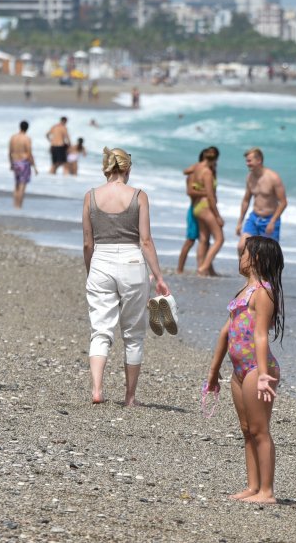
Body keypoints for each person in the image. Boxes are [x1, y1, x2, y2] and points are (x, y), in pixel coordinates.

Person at [82, 148, 170, 406]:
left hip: (101, 261)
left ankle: (97, 389)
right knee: (133, 333)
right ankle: (130, 397)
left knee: (100, 329)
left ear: (106, 168)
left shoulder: (90, 196)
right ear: (128, 168)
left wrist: (90, 270)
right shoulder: (139, 196)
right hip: (132, 262)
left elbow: (87, 243)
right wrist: (159, 276)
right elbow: (145, 240)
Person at [205, 236, 285, 504]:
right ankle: (253, 486)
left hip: (258, 369)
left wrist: (263, 374)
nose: (240, 258)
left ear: (257, 258)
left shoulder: (264, 292)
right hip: (239, 370)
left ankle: (267, 491)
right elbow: (225, 333)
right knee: (247, 429)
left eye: (244, 253)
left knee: (260, 430)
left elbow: (261, 335)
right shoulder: (243, 291)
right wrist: (214, 372)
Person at [235, 148, 287, 254]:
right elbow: (246, 200)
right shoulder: (250, 177)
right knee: (241, 247)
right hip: (254, 218)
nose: (247, 164)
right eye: (246, 161)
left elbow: (283, 202)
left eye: (249, 161)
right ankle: (244, 266)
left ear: (259, 160)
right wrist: (240, 222)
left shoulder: (273, 178)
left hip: (270, 219)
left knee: (267, 254)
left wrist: (272, 221)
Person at [176, 147, 217, 274]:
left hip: (205, 208)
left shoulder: (210, 173)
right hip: (194, 208)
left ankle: (209, 269)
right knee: (191, 240)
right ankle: (179, 269)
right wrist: (208, 193)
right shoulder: (194, 174)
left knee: (205, 240)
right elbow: (190, 192)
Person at [192, 148, 224, 276]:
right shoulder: (207, 173)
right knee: (219, 239)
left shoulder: (197, 168)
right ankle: (204, 267)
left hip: (197, 206)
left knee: (203, 239)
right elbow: (211, 197)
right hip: (206, 206)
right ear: (215, 159)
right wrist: (218, 216)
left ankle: (202, 269)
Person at [9, 121, 38, 209]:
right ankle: (19, 206)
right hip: (24, 163)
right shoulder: (26, 138)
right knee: (22, 185)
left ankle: (15, 205)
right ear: (27, 128)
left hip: (15, 162)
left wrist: (11, 163)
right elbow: (29, 153)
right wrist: (34, 167)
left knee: (16, 185)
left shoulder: (13, 137)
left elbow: (10, 152)